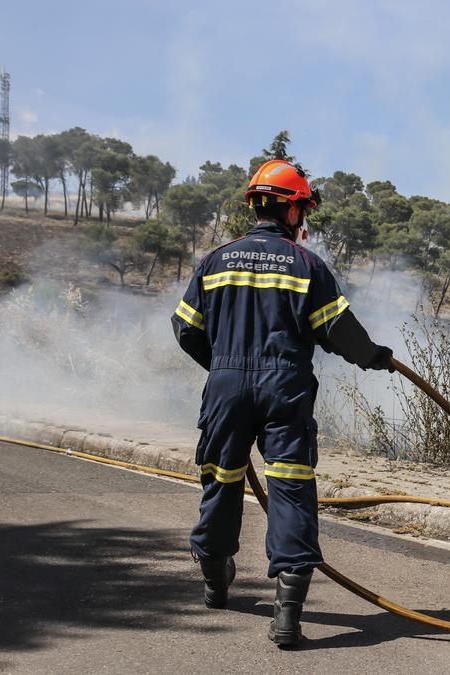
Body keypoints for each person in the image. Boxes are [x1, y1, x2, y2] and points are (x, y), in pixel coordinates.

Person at [170, 159, 395, 647]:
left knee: (221, 481)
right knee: (290, 490)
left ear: (255, 205)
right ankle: (288, 618)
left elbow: (186, 330)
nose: (303, 219)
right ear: (292, 209)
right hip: (285, 388)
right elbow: (339, 332)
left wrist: (225, 367)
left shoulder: (215, 260)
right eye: (302, 209)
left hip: (226, 384)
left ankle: (214, 582)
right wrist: (375, 357)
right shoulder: (306, 265)